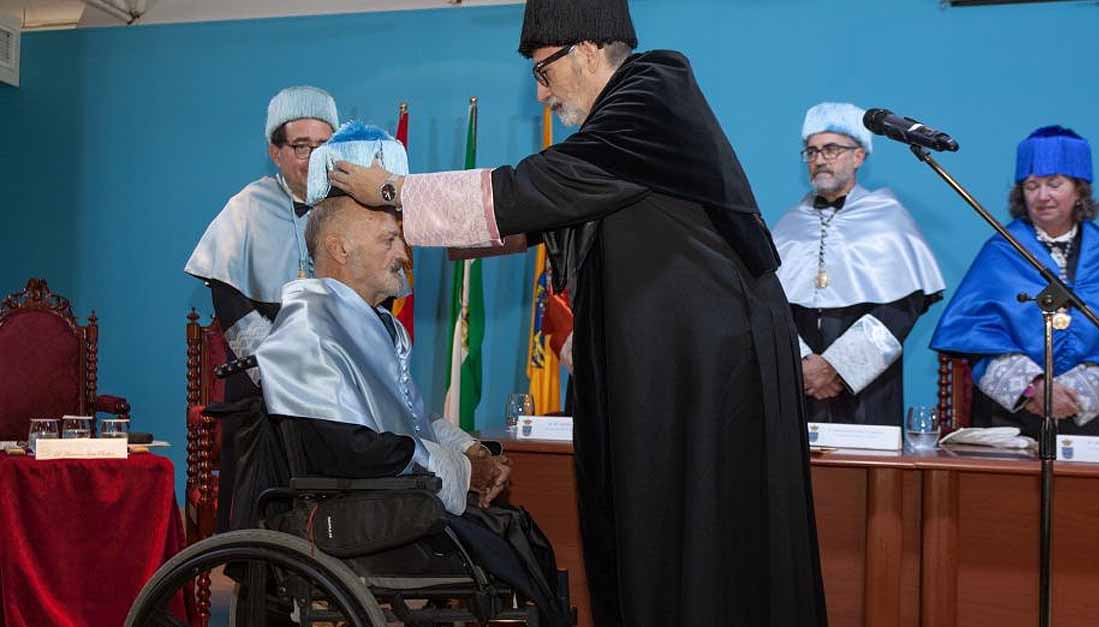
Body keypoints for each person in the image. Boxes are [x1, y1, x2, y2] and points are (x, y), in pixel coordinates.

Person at [325, 1, 827, 625]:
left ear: (585, 48)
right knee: (647, 529)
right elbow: (550, 213)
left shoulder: (653, 92)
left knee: (701, 534)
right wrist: (425, 223)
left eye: (542, 71)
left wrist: (396, 192)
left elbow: (535, 190)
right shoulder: (619, 131)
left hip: (703, 368)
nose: (540, 95)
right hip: (662, 363)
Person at [254, 122, 568, 626]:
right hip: (359, 514)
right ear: (339, 248)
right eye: (390, 239)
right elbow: (358, 451)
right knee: (512, 538)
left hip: (397, 499)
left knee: (519, 528)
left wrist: (470, 449)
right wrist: (464, 474)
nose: (405, 255)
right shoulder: (306, 331)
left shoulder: (373, 324)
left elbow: (413, 419)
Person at [184, 85, 342, 532]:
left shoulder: (350, 206)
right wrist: (276, 366)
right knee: (262, 457)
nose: (312, 157)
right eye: (300, 146)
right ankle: (259, 578)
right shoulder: (246, 208)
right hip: (261, 378)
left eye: (323, 146)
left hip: (333, 369)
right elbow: (226, 293)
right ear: (275, 151)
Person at [930, 125, 1099, 438]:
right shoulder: (1003, 247)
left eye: (1054, 184)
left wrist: (1071, 392)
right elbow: (973, 331)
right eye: (1032, 186)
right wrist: (1036, 389)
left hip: (1085, 413)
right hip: (1009, 415)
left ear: (1079, 189)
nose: (1042, 196)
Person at [772, 102, 945, 426]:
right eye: (811, 151)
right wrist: (803, 364)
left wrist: (836, 368)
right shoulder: (789, 225)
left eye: (831, 149)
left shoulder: (888, 217)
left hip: (867, 391)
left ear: (859, 155)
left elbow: (900, 307)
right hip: (800, 387)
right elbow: (769, 305)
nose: (819, 159)